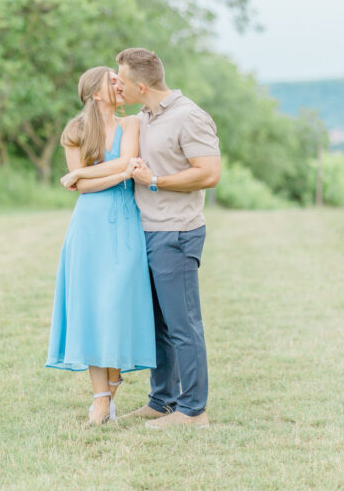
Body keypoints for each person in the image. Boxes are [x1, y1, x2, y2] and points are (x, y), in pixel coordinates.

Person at [114, 48, 221, 429]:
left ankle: (193, 411)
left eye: (121, 79)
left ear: (140, 85)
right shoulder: (143, 117)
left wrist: (155, 181)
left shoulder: (189, 116)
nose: (117, 84)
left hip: (177, 232)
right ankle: (162, 401)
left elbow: (208, 173)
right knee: (157, 324)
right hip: (146, 231)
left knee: (183, 324)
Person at [46, 66, 156, 425]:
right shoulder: (75, 131)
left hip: (123, 221)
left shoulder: (131, 125)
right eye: (111, 81)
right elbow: (84, 188)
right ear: (95, 93)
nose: (118, 84)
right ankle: (101, 398)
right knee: (92, 307)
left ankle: (113, 379)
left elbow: (125, 160)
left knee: (115, 302)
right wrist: (112, 175)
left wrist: (81, 171)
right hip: (89, 225)